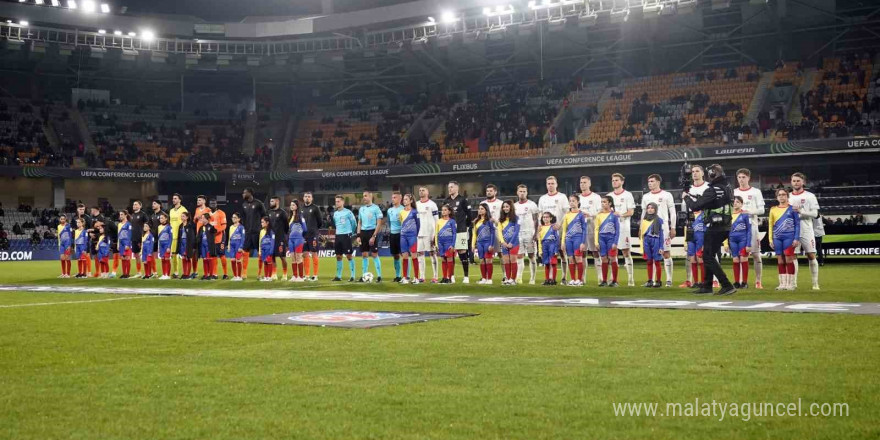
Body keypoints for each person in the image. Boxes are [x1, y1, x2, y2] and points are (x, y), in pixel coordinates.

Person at [683, 164, 736, 295]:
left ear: (712, 174)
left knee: (707, 257)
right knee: (709, 255)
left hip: (715, 227)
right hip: (725, 225)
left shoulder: (713, 189)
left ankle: (726, 285)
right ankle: (707, 286)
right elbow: (713, 202)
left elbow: (695, 206)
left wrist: (686, 197)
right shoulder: (727, 187)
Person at [640, 174, 677, 287]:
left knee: (666, 253)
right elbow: (643, 213)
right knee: (650, 255)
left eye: (652, 181)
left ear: (658, 182)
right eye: (648, 181)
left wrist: (673, 227)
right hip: (648, 228)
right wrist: (641, 228)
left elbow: (673, 212)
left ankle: (669, 279)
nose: (649, 183)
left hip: (663, 227)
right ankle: (652, 280)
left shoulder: (666, 195)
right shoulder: (646, 196)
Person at [734, 168, 766, 289]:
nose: (741, 180)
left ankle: (758, 281)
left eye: (743, 177)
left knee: (756, 254)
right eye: (739, 177)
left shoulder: (756, 192)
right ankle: (741, 281)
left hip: (752, 227)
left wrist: (749, 212)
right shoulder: (734, 192)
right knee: (740, 256)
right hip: (737, 229)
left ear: (748, 178)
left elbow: (762, 210)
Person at [789, 172, 821, 290]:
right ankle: (793, 283)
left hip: (806, 229)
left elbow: (815, 213)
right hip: (792, 230)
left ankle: (815, 284)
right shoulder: (787, 197)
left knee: (811, 255)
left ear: (803, 182)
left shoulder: (810, 196)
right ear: (791, 182)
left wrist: (802, 212)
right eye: (794, 181)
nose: (796, 183)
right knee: (793, 256)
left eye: (798, 181)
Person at [680, 165, 710, 288]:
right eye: (692, 171)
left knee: (704, 255)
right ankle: (693, 281)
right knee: (691, 256)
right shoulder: (688, 188)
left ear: (703, 173)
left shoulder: (708, 187)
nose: (694, 173)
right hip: (691, 222)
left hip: (704, 223)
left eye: (697, 171)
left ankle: (709, 280)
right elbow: (684, 207)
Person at [607, 173, 636, 286]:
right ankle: (613, 279)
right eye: (613, 180)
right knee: (612, 254)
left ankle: (630, 279)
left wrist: (620, 215)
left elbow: (631, 212)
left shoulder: (628, 195)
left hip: (624, 228)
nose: (614, 182)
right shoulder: (609, 196)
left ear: (622, 181)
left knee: (626, 252)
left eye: (616, 180)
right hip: (612, 229)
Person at [538, 176, 568, 283]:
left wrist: (560, 224)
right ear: (546, 185)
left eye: (552, 183)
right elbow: (540, 214)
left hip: (558, 229)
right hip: (546, 230)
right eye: (548, 183)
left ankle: (564, 277)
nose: (550, 185)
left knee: (561, 252)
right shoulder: (542, 198)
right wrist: (540, 225)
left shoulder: (562, 197)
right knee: (547, 254)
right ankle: (549, 278)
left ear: (556, 184)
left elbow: (566, 213)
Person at [769, 189, 800, 290]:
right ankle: (782, 284)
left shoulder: (793, 209)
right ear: (777, 197)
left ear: (787, 196)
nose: (781, 196)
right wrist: (770, 239)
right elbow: (770, 225)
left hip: (789, 237)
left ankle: (790, 284)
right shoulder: (773, 209)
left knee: (788, 259)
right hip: (777, 237)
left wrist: (796, 238)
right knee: (780, 261)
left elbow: (797, 225)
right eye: (779, 195)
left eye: (783, 195)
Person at [444, 181, 472, 284]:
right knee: (450, 254)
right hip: (449, 232)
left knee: (462, 252)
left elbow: (469, 215)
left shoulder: (463, 200)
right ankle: (451, 276)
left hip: (461, 230)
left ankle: (466, 276)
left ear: (457, 188)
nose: (450, 189)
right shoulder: (446, 201)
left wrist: (467, 226)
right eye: (449, 187)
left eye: (451, 187)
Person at [578, 176, 603, 285]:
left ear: (589, 184)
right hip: (581, 230)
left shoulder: (596, 197)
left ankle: (600, 277)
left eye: (584, 182)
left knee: (595, 252)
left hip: (593, 228)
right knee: (582, 253)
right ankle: (583, 278)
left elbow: (600, 213)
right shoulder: (577, 197)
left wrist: (590, 215)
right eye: (581, 182)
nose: (582, 184)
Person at [513, 184, 539, 285]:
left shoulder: (532, 205)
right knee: (519, 256)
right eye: (520, 191)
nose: (522, 193)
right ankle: (519, 278)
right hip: (519, 233)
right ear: (517, 192)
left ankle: (532, 278)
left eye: (524, 191)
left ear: (527, 193)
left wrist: (536, 233)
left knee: (532, 256)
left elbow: (536, 220)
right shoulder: (514, 206)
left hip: (530, 233)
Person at [356, 191, 384, 282]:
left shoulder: (376, 208)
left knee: (374, 254)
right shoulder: (361, 209)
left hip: (372, 232)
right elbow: (359, 223)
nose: (364, 197)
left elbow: (379, 223)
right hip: (363, 233)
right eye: (363, 196)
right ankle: (364, 276)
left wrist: (374, 236)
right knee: (364, 255)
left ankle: (379, 276)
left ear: (370, 196)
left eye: (365, 196)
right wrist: (358, 235)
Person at [724, 196, 752, 289]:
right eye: (734, 202)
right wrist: (726, 243)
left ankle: (744, 282)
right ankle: (736, 282)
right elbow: (725, 231)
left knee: (743, 259)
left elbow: (749, 230)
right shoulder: (728, 215)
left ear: (741, 204)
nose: (735, 203)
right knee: (735, 260)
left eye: (738, 202)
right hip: (732, 241)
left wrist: (748, 244)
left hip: (743, 240)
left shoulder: (745, 215)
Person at [560, 195, 588, 286]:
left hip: (578, 238)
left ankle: (579, 280)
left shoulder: (581, 215)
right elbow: (564, 229)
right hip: (569, 239)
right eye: (570, 201)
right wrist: (563, 242)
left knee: (578, 258)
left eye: (573, 201)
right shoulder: (567, 215)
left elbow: (584, 229)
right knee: (571, 259)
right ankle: (572, 279)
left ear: (578, 202)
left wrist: (583, 242)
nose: (571, 202)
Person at [241, 188, 267, 279]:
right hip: (248, 233)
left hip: (257, 232)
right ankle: (244, 273)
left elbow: (265, 215)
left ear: (250, 193)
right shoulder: (243, 204)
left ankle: (259, 273)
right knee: (245, 251)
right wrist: (245, 228)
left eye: (245, 192)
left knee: (260, 252)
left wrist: (262, 228)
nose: (243, 194)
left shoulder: (258, 203)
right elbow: (243, 218)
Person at [331, 195, 357, 282]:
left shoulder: (348, 212)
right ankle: (338, 276)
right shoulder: (335, 214)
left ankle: (353, 276)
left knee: (349, 256)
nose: (337, 203)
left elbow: (354, 224)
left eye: (338, 201)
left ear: (342, 202)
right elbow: (335, 224)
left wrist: (351, 233)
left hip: (346, 235)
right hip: (338, 236)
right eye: (336, 201)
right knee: (338, 256)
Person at [416, 186, 439, 283]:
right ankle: (422, 276)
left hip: (430, 233)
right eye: (420, 190)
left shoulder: (432, 204)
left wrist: (435, 235)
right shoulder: (416, 204)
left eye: (423, 190)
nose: (421, 192)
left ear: (427, 192)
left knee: (432, 253)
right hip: (419, 233)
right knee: (420, 254)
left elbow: (437, 220)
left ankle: (435, 276)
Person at [596, 195, 620, 287]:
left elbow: (617, 230)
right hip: (601, 238)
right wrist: (596, 242)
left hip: (611, 238)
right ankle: (604, 281)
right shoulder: (599, 215)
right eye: (602, 202)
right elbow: (596, 229)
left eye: (605, 202)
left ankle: (614, 280)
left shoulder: (614, 215)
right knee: (604, 259)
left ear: (610, 203)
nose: (603, 204)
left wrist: (615, 242)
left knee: (612, 258)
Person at [640, 203, 665, 288]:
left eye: (652, 208)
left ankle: (658, 281)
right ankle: (650, 280)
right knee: (649, 261)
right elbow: (642, 234)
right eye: (648, 208)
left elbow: (661, 234)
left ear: (655, 209)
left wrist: (661, 246)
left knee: (657, 261)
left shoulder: (658, 220)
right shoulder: (644, 220)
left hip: (656, 240)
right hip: (646, 240)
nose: (650, 209)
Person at [496, 200, 520, 286]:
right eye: (504, 207)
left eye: (507, 206)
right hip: (504, 244)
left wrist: (511, 243)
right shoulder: (501, 220)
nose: (505, 208)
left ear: (511, 207)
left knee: (513, 260)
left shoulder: (516, 218)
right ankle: (508, 278)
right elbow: (499, 232)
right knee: (506, 261)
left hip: (514, 243)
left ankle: (513, 279)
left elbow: (516, 231)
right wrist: (503, 242)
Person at [300, 192, 323, 282]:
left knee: (314, 253)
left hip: (313, 235)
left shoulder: (315, 208)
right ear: (303, 198)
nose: (307, 198)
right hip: (303, 235)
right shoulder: (301, 209)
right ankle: (307, 275)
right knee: (305, 254)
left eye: (309, 197)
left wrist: (314, 230)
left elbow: (320, 221)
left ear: (312, 198)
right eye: (305, 196)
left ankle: (315, 275)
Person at [398, 194, 420, 284]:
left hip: (412, 236)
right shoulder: (401, 212)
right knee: (405, 257)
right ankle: (405, 278)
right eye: (404, 199)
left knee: (414, 256)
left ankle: (416, 278)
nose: (404, 201)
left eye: (406, 199)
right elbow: (401, 223)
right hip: (403, 236)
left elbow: (419, 225)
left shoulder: (415, 212)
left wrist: (415, 235)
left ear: (411, 201)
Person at [472, 203, 496, 285]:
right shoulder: (476, 221)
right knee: (482, 261)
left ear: (486, 210)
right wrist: (472, 245)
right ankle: (484, 278)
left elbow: (492, 233)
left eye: (482, 208)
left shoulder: (489, 221)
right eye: (479, 208)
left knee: (488, 260)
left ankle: (489, 279)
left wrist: (491, 244)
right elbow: (474, 234)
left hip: (487, 242)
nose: (480, 210)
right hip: (479, 243)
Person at [267, 196, 289, 280]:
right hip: (271, 239)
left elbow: (286, 227)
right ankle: (274, 273)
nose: (270, 203)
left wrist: (283, 236)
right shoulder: (268, 212)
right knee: (272, 256)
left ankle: (285, 274)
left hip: (280, 239)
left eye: (272, 201)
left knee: (282, 257)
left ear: (277, 202)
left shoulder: (282, 213)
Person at [435, 204, 457, 284]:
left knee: (449, 260)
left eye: (445, 210)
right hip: (441, 243)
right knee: (443, 259)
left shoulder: (452, 221)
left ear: (449, 211)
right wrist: (436, 244)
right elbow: (436, 233)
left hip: (449, 242)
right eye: (442, 210)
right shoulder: (439, 221)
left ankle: (450, 278)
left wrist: (453, 244)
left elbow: (454, 234)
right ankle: (444, 277)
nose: (443, 211)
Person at [169, 193, 189, 278]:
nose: (174, 200)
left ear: (180, 200)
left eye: (175, 198)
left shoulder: (183, 209)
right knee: (173, 255)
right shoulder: (171, 211)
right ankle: (176, 272)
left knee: (185, 255)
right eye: (173, 198)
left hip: (181, 236)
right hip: (173, 236)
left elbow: (187, 222)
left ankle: (186, 273)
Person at [286, 201, 307, 282]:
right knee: (293, 258)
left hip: (298, 239)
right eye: (291, 205)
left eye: (293, 205)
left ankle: (301, 277)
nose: (291, 206)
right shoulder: (290, 217)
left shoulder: (300, 216)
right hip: (291, 239)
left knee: (298, 257)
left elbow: (305, 229)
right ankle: (295, 276)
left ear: (297, 206)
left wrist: (301, 236)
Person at [387, 192, 405, 282]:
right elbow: (389, 223)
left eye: (395, 197)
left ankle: (406, 275)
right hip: (392, 234)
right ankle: (397, 276)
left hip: (401, 234)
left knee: (404, 254)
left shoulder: (403, 209)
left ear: (399, 199)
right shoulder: (389, 210)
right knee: (395, 255)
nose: (393, 199)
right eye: (392, 197)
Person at [538, 212, 560, 285]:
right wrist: (540, 250)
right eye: (544, 217)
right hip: (544, 245)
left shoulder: (553, 227)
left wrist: (556, 249)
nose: (545, 218)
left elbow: (557, 238)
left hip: (552, 245)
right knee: (546, 263)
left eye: (547, 217)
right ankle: (547, 279)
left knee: (553, 263)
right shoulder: (540, 227)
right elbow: (539, 239)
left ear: (550, 218)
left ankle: (553, 280)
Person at [209, 199, 228, 279]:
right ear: (209, 204)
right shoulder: (207, 214)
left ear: (217, 204)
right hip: (211, 237)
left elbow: (224, 226)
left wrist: (217, 230)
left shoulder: (221, 213)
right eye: (211, 203)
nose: (212, 204)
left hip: (220, 237)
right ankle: (214, 274)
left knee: (222, 255)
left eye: (214, 203)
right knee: (213, 256)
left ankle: (225, 274)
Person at [129, 201, 149, 278]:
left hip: (141, 238)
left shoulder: (143, 215)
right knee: (136, 255)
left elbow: (147, 226)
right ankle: (139, 272)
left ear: (140, 206)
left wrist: (144, 236)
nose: (134, 205)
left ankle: (147, 272)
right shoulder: (132, 215)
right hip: (134, 238)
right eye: (133, 204)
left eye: (136, 204)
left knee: (143, 255)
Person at [175, 212, 196, 280]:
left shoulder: (190, 225)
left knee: (188, 258)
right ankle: (184, 273)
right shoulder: (180, 226)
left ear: (187, 217)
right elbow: (179, 236)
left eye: (183, 216)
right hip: (182, 243)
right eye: (181, 216)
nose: (182, 217)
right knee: (183, 258)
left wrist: (192, 246)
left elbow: (192, 236)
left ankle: (188, 274)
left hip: (188, 243)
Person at [197, 213, 218, 280]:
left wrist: (213, 226)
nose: (202, 219)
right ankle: (206, 274)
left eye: (203, 218)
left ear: (207, 219)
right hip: (202, 246)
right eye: (201, 218)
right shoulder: (201, 228)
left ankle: (211, 275)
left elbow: (215, 231)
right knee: (204, 260)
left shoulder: (211, 227)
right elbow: (198, 237)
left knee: (210, 260)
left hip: (208, 246)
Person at [149, 200, 166, 278]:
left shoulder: (163, 215)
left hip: (162, 239)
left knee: (164, 257)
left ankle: (165, 274)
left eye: (154, 203)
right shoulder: (152, 215)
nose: (153, 205)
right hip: (153, 238)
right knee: (151, 255)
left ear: (159, 205)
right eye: (152, 204)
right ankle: (154, 272)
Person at [227, 213, 245, 281]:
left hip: (238, 246)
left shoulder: (241, 227)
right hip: (232, 246)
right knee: (232, 260)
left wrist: (241, 246)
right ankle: (235, 276)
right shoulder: (231, 227)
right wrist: (228, 246)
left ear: (238, 219)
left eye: (235, 217)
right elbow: (229, 238)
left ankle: (239, 276)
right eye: (232, 217)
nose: (233, 219)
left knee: (238, 260)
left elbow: (243, 238)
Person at [258, 216, 276, 282]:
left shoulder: (271, 232)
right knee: (265, 262)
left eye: (262, 222)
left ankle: (269, 277)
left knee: (269, 262)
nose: (261, 223)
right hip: (263, 250)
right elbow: (260, 242)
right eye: (261, 222)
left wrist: (271, 251)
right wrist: (260, 251)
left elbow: (273, 242)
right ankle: (265, 277)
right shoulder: (261, 231)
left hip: (269, 250)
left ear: (267, 223)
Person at [117, 210, 133, 279]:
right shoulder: (119, 224)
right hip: (121, 243)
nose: (120, 216)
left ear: (126, 215)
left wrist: (127, 244)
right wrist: (118, 244)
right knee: (123, 259)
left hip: (126, 243)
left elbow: (129, 235)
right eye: (120, 215)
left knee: (127, 258)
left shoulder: (129, 224)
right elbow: (118, 235)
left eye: (122, 214)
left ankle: (127, 274)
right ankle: (124, 274)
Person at [157, 213, 173, 279]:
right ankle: (164, 274)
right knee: (162, 260)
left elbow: (171, 237)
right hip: (161, 245)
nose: (160, 219)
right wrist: (158, 247)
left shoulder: (169, 227)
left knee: (167, 259)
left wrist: (169, 247)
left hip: (166, 245)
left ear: (166, 219)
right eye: (160, 218)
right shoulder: (159, 227)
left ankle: (167, 275)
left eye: (162, 218)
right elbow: (158, 238)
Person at [57, 214, 73, 278]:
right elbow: (59, 236)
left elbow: (70, 236)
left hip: (67, 243)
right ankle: (63, 273)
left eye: (63, 219)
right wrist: (59, 244)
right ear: (60, 220)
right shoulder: (58, 226)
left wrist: (69, 245)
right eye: (61, 219)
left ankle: (68, 274)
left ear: (65, 219)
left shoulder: (68, 226)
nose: (62, 220)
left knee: (67, 258)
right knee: (62, 258)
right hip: (61, 244)